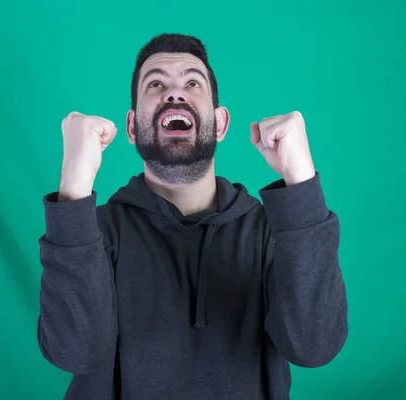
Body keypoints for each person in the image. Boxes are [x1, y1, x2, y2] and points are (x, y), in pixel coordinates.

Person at [37, 33, 348, 400]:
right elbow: (74, 352)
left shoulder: (274, 231)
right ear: (133, 127)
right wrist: (74, 181)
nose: (174, 93)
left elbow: (315, 347)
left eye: (191, 82)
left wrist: (301, 182)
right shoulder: (91, 233)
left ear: (219, 124)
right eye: (155, 83)